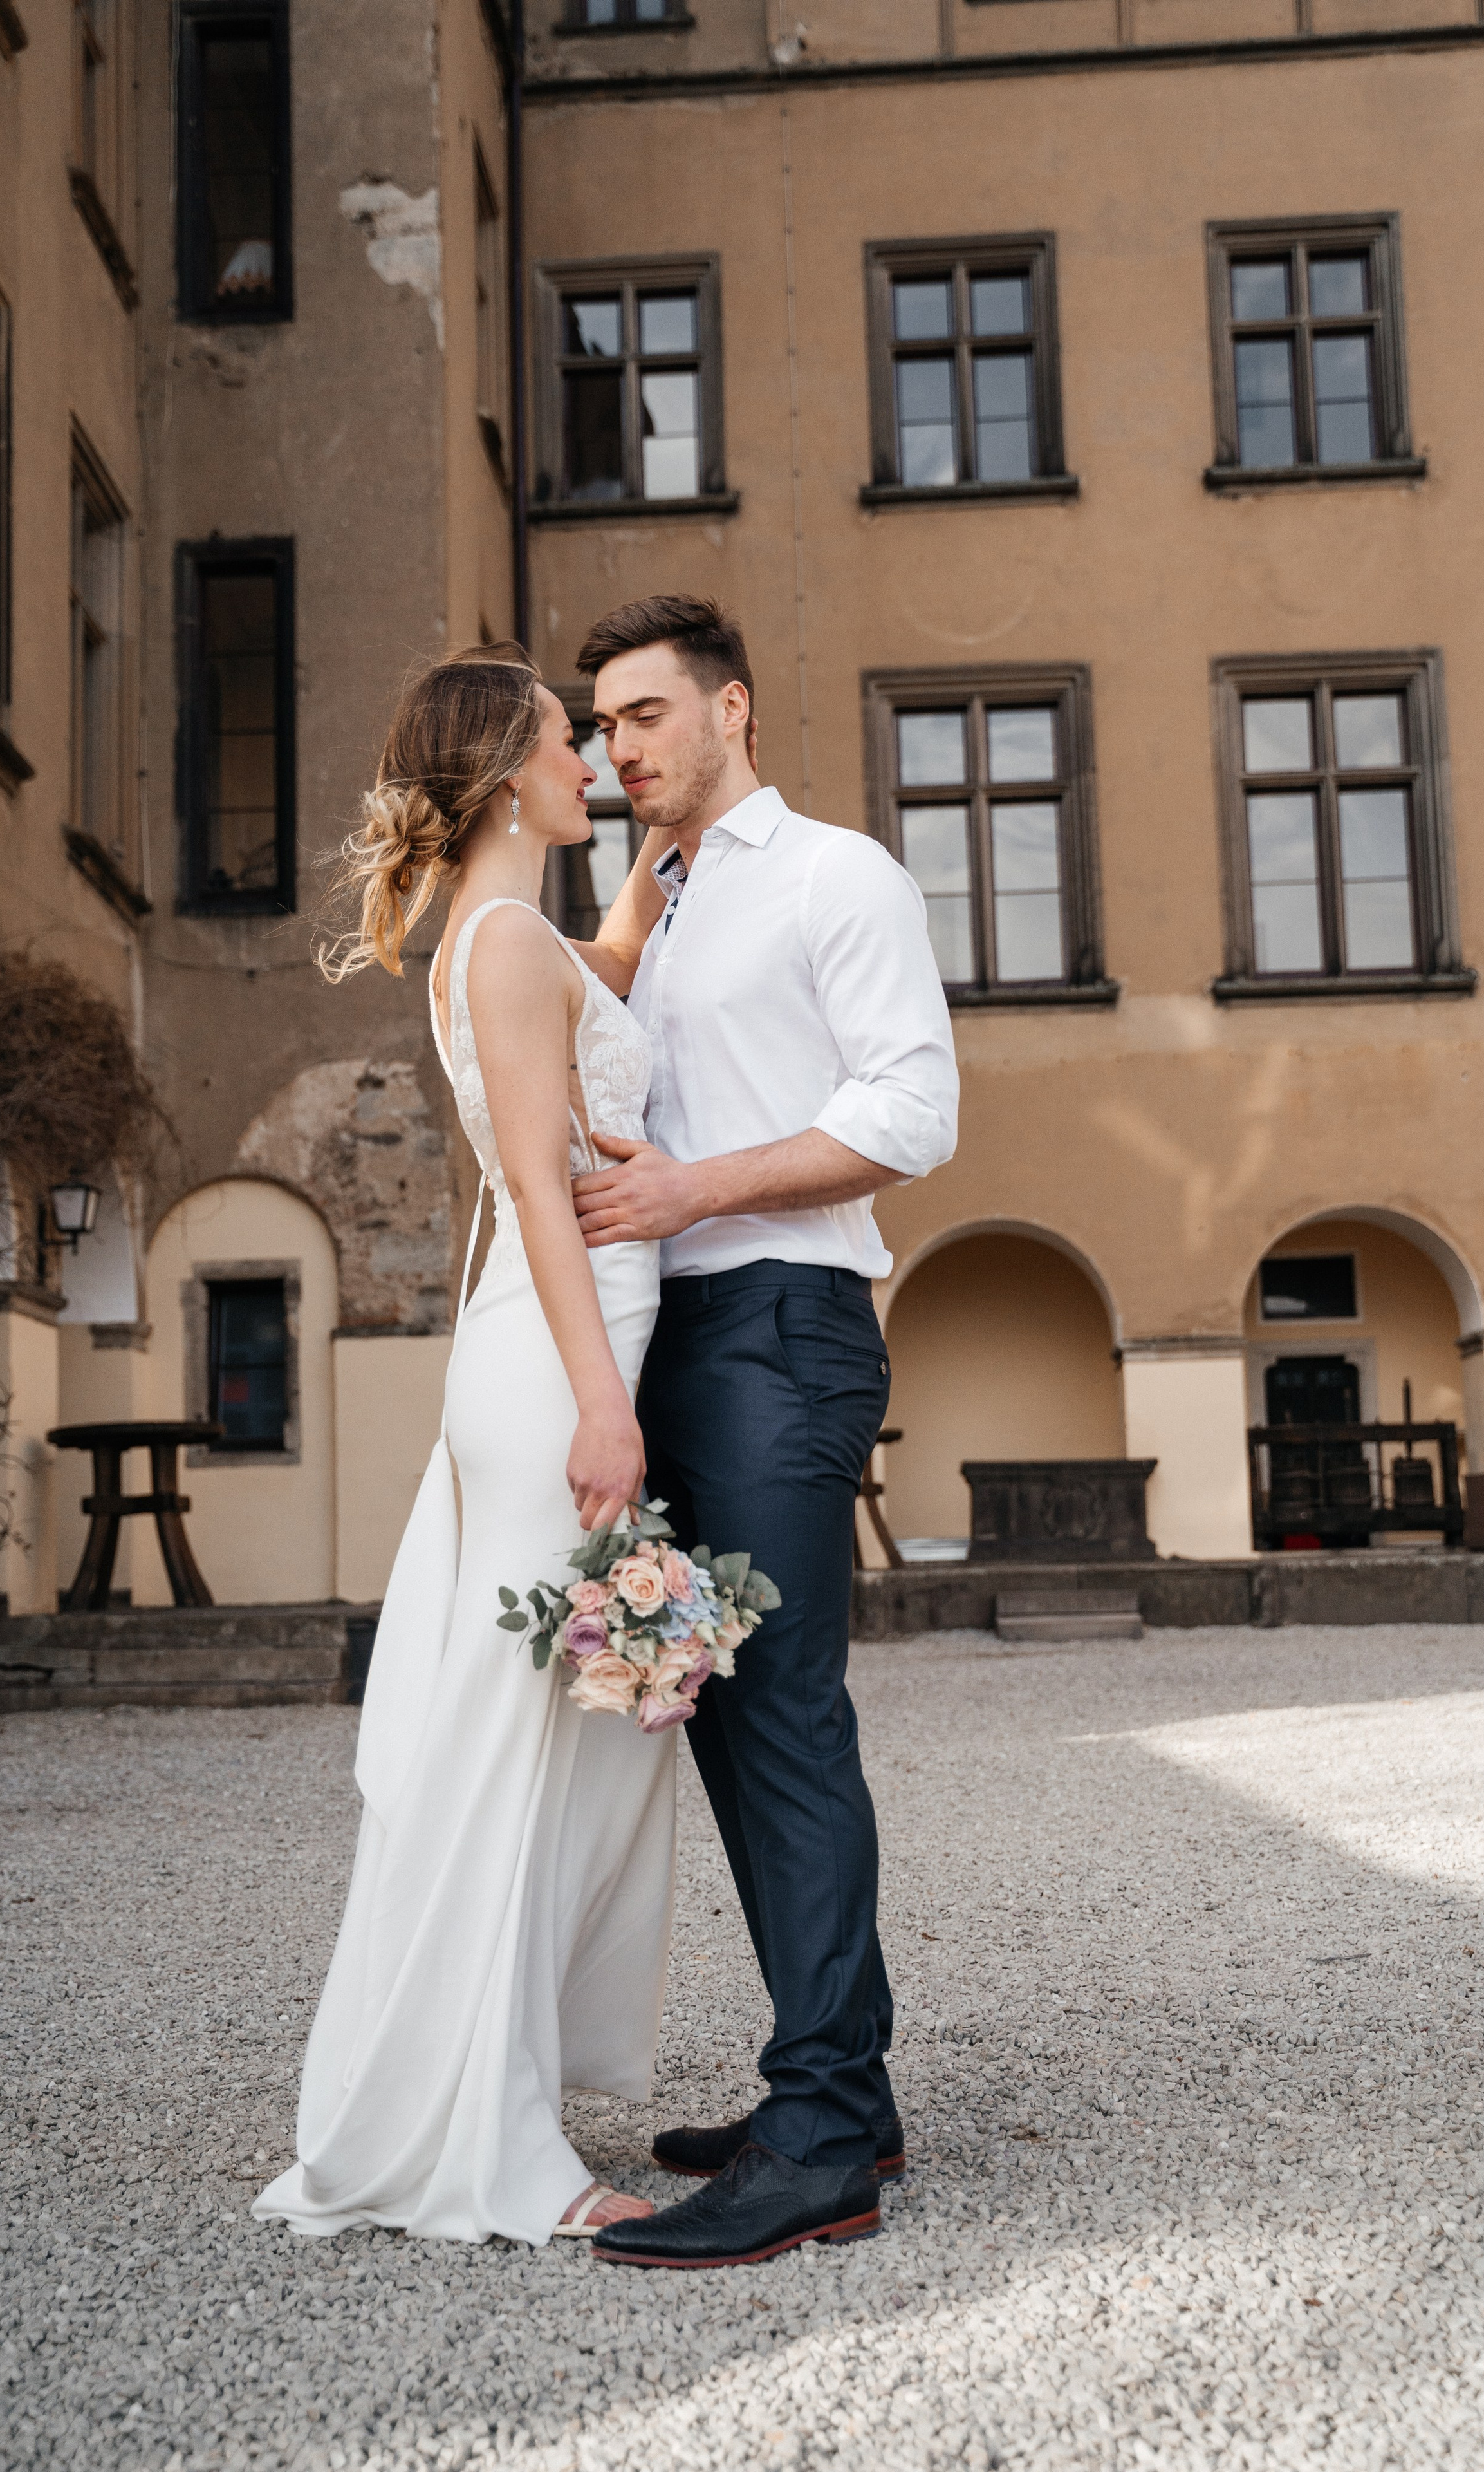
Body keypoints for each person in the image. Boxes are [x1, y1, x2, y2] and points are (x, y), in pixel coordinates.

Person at [254, 644, 678, 2246]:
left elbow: (605, 987)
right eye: (576, 743)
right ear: (512, 774)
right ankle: (486, 2149)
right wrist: (602, 1401)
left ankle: (465, 2092)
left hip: (568, 1351)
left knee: (564, 1742)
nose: (596, 762)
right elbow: (537, 1189)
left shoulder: (517, 939)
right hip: (553, 1367)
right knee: (509, 1755)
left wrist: (669, 837)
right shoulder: (500, 944)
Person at [570, 595, 959, 2270]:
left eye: (647, 714)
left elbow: (913, 1110)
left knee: (785, 1717)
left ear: (734, 706)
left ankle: (820, 2142)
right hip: (678, 1349)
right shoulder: (662, 903)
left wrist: (690, 1188)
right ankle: (839, 2089)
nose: (618, 749)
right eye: (600, 728)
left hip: (785, 1328)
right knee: (713, 1718)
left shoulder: (835, 876)